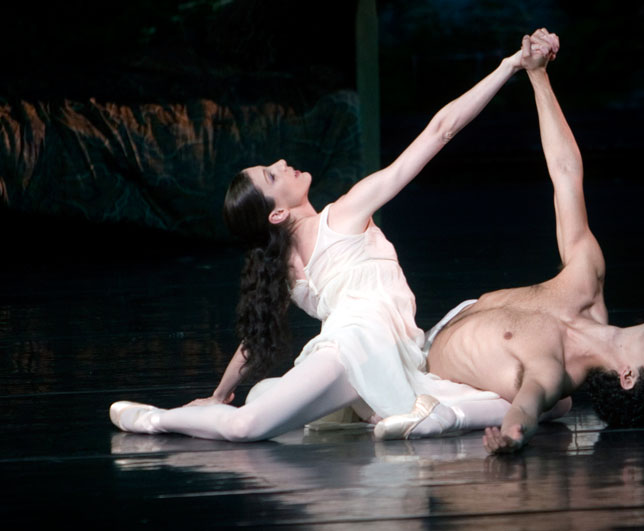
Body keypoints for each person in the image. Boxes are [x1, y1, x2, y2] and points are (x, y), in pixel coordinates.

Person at [108, 33, 559, 442]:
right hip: (353, 346)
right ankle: (155, 419)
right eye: (272, 173)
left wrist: (509, 66)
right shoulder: (296, 256)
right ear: (278, 212)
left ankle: (430, 413)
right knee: (248, 424)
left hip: (387, 352)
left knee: (548, 401)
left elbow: (440, 131)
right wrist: (219, 394)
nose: (283, 162)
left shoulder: (345, 212)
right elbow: (256, 336)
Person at [374, 29, 644, 453]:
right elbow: (566, 175)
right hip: (454, 319)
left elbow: (525, 408)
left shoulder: (552, 373)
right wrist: (538, 76)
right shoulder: (586, 283)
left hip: (426, 371)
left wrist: (512, 436)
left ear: (628, 375)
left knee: (550, 405)